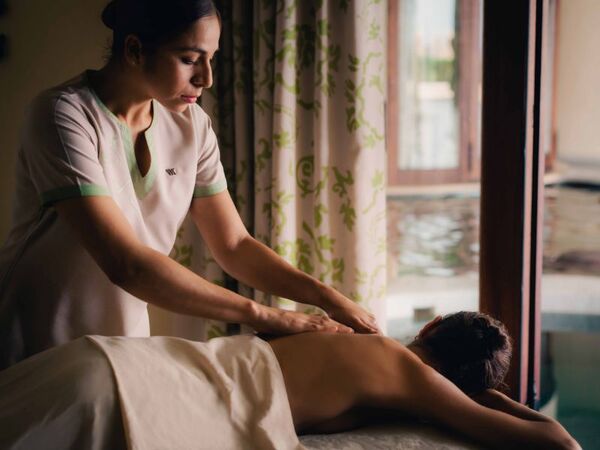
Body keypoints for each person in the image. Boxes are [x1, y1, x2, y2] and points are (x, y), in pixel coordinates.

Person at [0, 0, 379, 369]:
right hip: (35, 348)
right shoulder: (63, 115)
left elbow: (234, 245)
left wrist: (326, 297)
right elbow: (126, 264)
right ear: (134, 50)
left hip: (118, 349)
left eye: (211, 58)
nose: (206, 78)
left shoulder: (193, 126)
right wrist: (267, 315)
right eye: (189, 59)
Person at [0, 311, 580, 450]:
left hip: (113, 362)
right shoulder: (415, 380)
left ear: (428, 327)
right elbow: (559, 442)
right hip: (129, 402)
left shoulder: (347, 337)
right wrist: (480, 396)